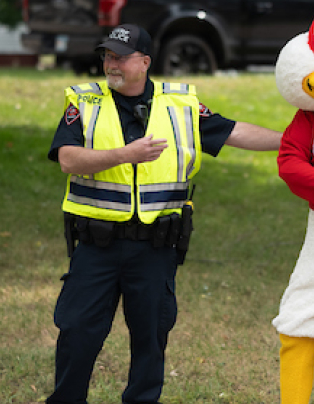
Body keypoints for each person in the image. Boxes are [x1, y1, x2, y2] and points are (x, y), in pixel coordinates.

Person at [45, 24, 281, 404]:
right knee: (77, 333)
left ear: (145, 62)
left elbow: (233, 132)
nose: (111, 65)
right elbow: (68, 159)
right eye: (107, 56)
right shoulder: (85, 103)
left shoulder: (180, 106)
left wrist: (289, 143)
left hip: (154, 248)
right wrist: (125, 155)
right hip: (96, 246)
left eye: (120, 57)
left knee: (151, 338)